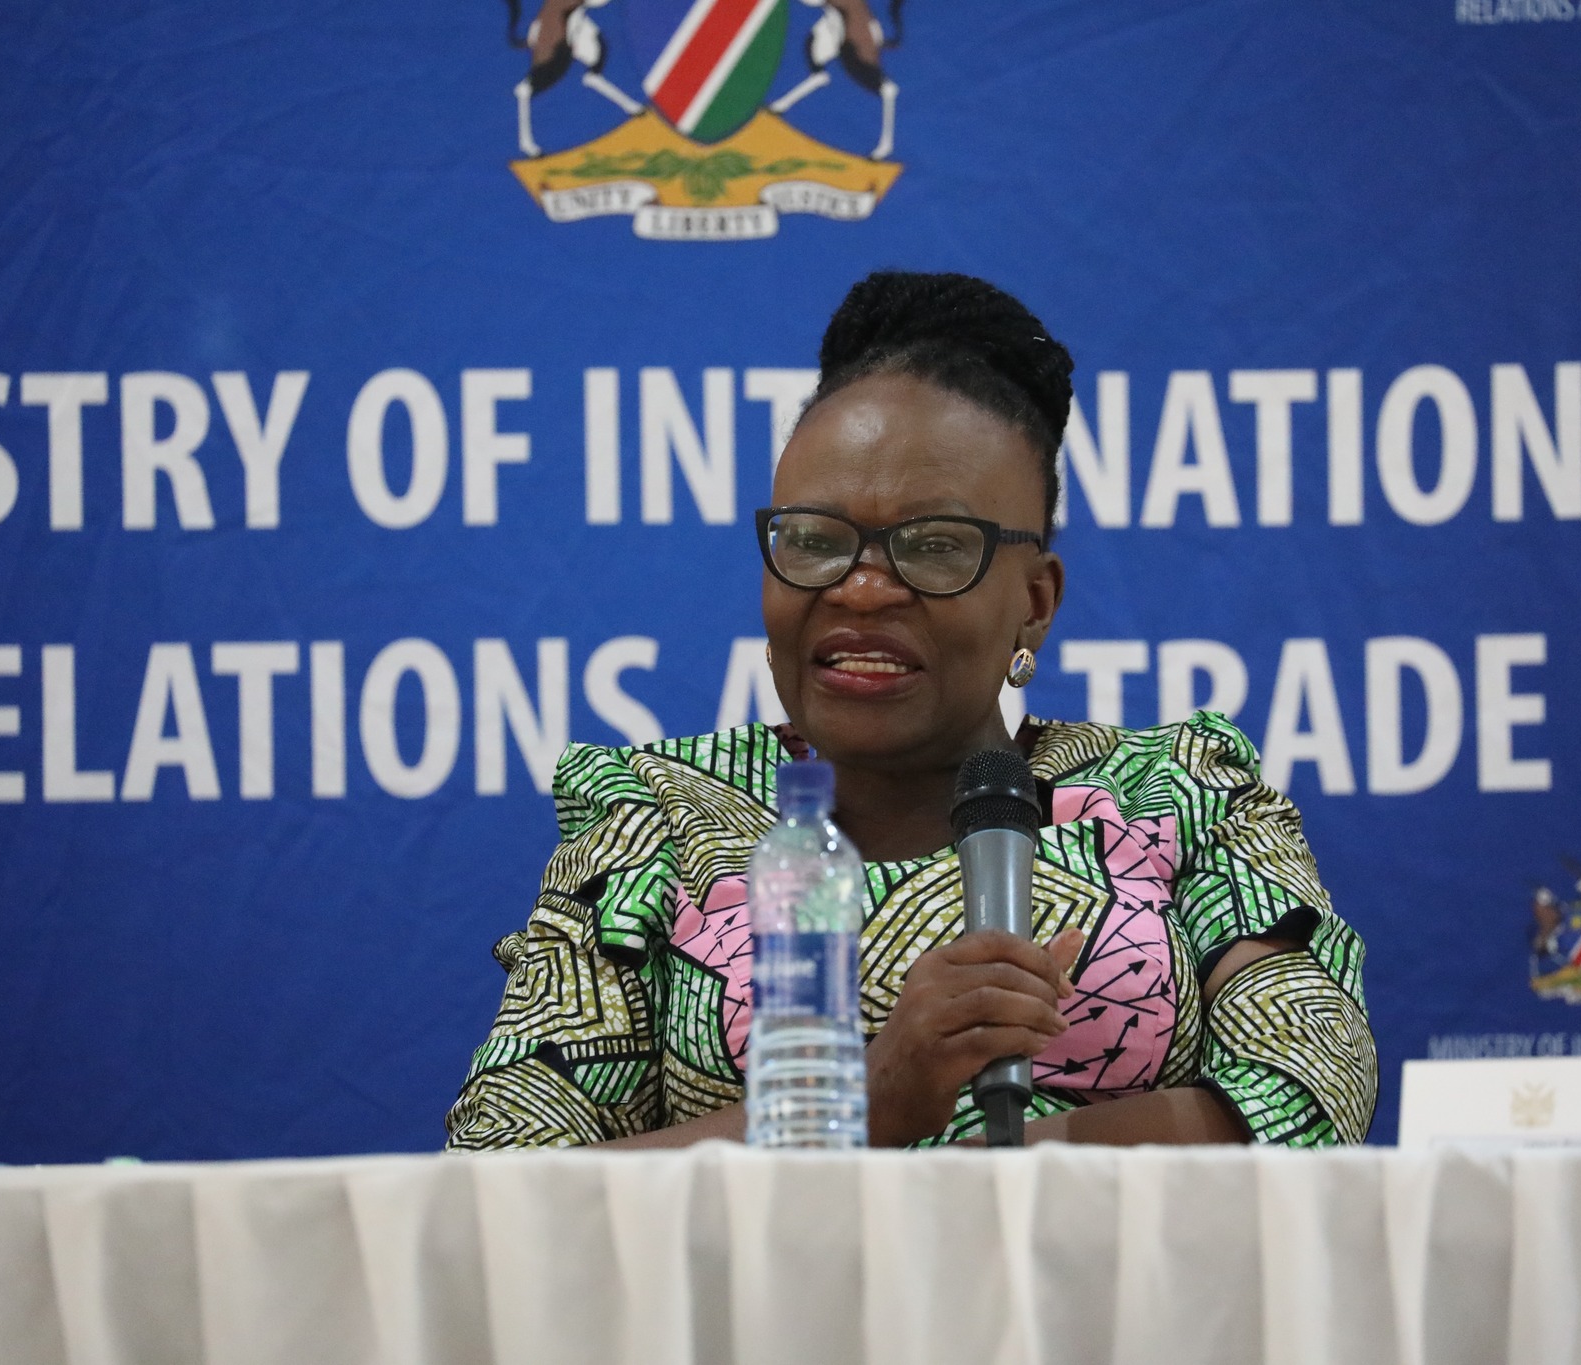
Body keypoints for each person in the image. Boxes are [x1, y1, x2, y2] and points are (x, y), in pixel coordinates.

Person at [447, 272, 1376, 1150]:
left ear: (1035, 603)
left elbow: (1307, 1094)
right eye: (815, 539)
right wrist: (865, 1101)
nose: (860, 588)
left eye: (935, 546)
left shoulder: (1178, 793)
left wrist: (955, 1187)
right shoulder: (657, 818)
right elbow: (507, 1180)